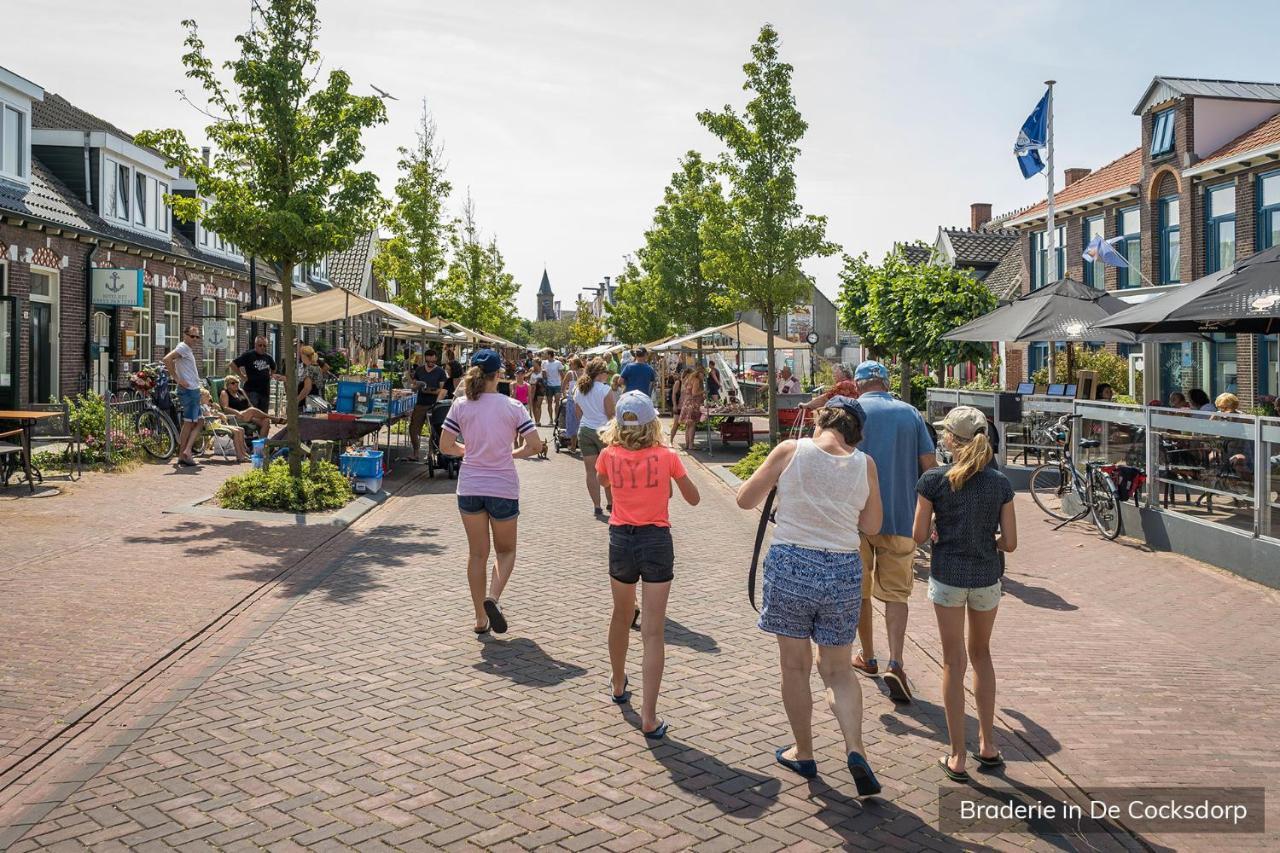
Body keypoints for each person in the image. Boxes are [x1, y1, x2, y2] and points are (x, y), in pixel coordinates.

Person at [736, 397, 884, 796]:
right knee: (838, 668)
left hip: (791, 564)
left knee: (795, 666)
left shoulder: (791, 450)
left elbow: (745, 499)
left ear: (821, 420)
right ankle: (856, 749)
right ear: (855, 432)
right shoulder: (864, 463)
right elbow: (872, 524)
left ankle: (804, 751)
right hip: (842, 569)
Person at [912, 406, 1016, 782]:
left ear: (952, 440)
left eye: (944, 433)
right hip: (987, 576)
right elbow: (1012, 543)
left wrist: (939, 526)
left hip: (948, 577)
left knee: (952, 662)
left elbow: (919, 536)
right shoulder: (999, 483)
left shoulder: (934, 481)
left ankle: (957, 755)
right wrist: (988, 538)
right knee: (981, 655)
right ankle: (988, 745)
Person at [596, 391, 700, 739]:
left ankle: (616, 681)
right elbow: (693, 498)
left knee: (620, 616)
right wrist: (668, 481)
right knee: (654, 631)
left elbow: (602, 482)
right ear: (652, 422)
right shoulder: (667, 456)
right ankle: (650, 716)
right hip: (656, 539)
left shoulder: (609, 454)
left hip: (621, 538)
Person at [439, 349, 544, 636]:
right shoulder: (513, 407)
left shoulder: (460, 405)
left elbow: (445, 446)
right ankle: (493, 598)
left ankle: (479, 619)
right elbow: (535, 446)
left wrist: (468, 451)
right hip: (502, 486)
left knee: (477, 555)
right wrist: (513, 454)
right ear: (499, 375)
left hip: (470, 485)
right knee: (506, 550)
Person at [849, 361, 936, 704]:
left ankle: (868, 656)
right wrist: (931, 515)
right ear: (885, 383)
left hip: (855, 519)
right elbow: (930, 468)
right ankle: (896, 662)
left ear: (858, 386)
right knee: (897, 594)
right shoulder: (911, 414)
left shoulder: (851, 413)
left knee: (861, 591)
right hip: (901, 518)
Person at [575, 358, 617, 516]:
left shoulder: (579, 389)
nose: (607, 375)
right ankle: (611, 503)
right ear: (600, 373)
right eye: (606, 372)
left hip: (585, 430)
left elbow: (578, 414)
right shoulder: (605, 390)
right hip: (604, 432)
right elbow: (611, 414)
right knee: (608, 470)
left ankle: (597, 506)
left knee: (590, 471)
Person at [164, 325, 205, 467]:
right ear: (185, 335)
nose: (194, 339)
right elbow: (167, 359)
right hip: (189, 391)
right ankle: (184, 453)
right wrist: (176, 379)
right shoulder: (183, 348)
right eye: (192, 336)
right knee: (189, 422)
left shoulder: (185, 349)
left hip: (193, 390)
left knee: (199, 421)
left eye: (197, 337)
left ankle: (184, 453)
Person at [406, 349, 449, 462]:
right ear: (425, 358)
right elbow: (413, 385)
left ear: (435, 358)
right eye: (428, 359)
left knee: (433, 430)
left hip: (433, 404)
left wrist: (428, 390)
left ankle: (431, 454)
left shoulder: (440, 372)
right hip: (420, 404)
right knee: (413, 429)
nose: (430, 362)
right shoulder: (419, 370)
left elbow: (442, 389)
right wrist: (414, 385)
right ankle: (416, 453)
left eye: (432, 359)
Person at [199, 388, 250, 462]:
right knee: (236, 431)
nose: (209, 397)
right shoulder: (202, 407)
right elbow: (209, 416)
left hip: (216, 424)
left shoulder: (206, 406)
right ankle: (239, 455)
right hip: (212, 426)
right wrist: (217, 413)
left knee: (241, 430)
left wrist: (215, 411)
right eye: (207, 396)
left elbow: (212, 414)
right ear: (201, 397)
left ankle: (243, 452)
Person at [232, 336, 282, 413]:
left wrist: (271, 375)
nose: (262, 347)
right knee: (253, 413)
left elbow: (274, 367)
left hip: (265, 391)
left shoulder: (268, 357)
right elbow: (233, 364)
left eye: (264, 345)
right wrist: (242, 376)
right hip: (252, 391)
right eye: (260, 345)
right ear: (255, 345)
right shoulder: (248, 355)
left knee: (264, 414)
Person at [673, 364, 706, 453]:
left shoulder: (688, 379)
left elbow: (685, 391)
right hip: (693, 404)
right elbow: (694, 393)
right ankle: (691, 445)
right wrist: (703, 391)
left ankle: (687, 444)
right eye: (703, 374)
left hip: (687, 403)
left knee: (688, 425)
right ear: (699, 373)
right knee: (692, 425)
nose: (704, 376)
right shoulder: (696, 380)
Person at [296, 346, 323, 410]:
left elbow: (307, 388)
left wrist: (296, 400)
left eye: (301, 355)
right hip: (316, 401)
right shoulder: (317, 367)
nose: (300, 357)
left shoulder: (309, 368)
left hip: (307, 404)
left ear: (305, 356)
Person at [543, 350, 566, 415]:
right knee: (549, 403)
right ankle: (550, 419)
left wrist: (563, 385)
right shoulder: (544, 363)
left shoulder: (558, 363)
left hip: (557, 385)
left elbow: (562, 375)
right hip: (548, 386)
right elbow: (544, 376)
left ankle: (556, 418)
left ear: (549, 355)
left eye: (545, 354)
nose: (544, 355)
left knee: (557, 402)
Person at [529, 359, 546, 425]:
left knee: (538, 405)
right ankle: (536, 421)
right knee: (533, 405)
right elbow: (526, 377)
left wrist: (539, 381)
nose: (532, 364)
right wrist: (530, 372)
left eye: (534, 363)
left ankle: (538, 421)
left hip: (540, 389)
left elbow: (545, 380)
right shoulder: (531, 370)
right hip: (532, 388)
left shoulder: (543, 371)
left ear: (538, 363)